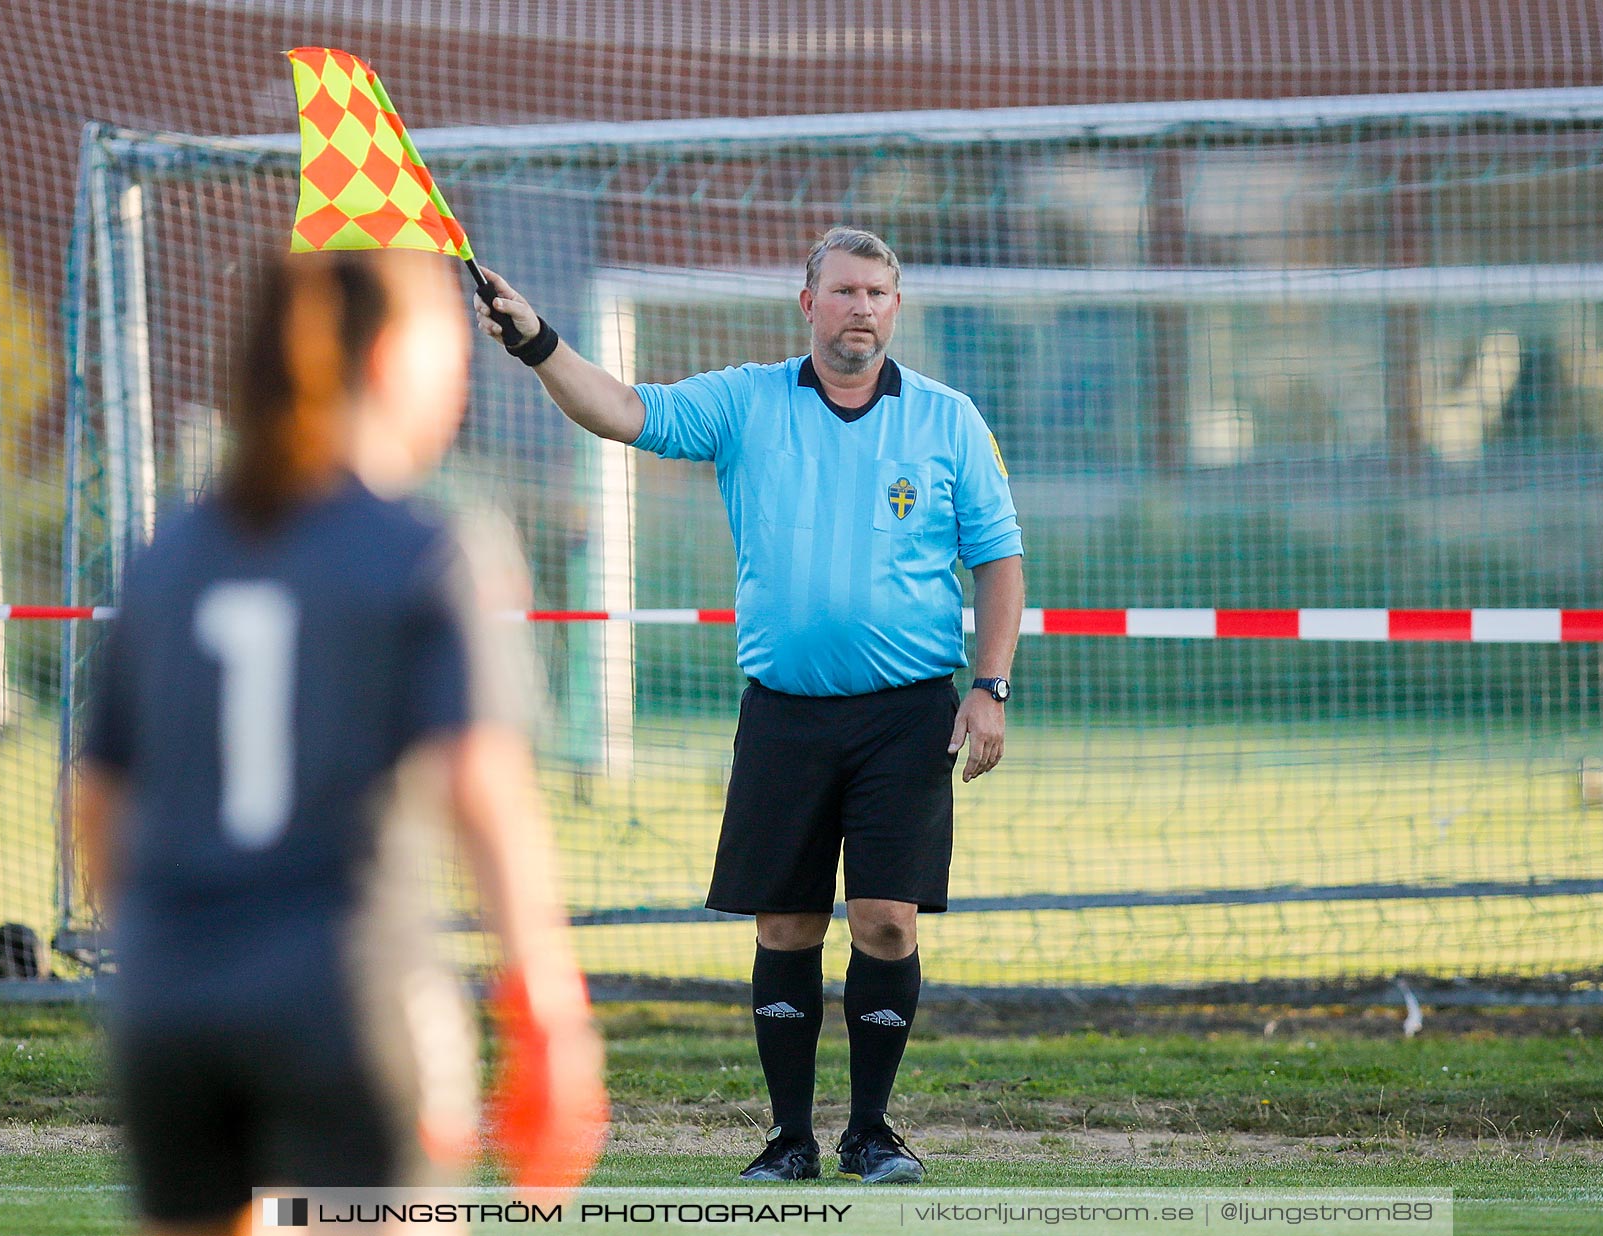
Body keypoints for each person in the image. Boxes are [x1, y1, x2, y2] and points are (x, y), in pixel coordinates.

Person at [476, 226, 1025, 1185]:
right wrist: (536, 342)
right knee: (784, 926)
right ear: (806, 303)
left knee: (888, 922)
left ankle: (871, 1133)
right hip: (785, 711)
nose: (862, 308)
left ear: (895, 310)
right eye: (845, 291)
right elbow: (624, 412)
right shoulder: (745, 402)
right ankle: (788, 1139)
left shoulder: (949, 420)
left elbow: (999, 558)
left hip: (908, 716)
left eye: (879, 295)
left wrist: (988, 687)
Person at [76, 249, 606, 1235]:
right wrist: (548, 1017)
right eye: (452, 354)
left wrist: (166, 958)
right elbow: (482, 792)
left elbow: (99, 798)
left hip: (169, 1008)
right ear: (396, 360)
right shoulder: (429, 549)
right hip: (346, 999)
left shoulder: (167, 557)